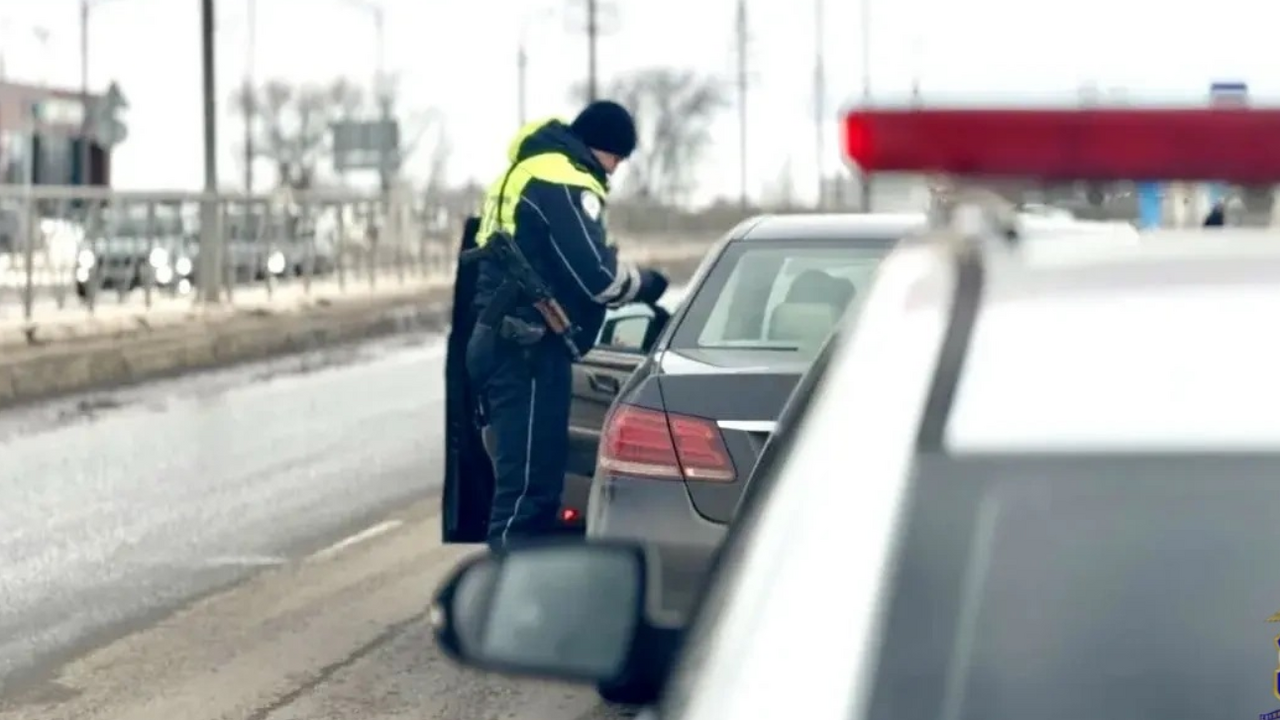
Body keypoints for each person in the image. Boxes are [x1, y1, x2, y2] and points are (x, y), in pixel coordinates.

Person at [466, 101, 669, 550]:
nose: (614, 172)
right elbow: (597, 277)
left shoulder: (527, 170)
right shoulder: (565, 180)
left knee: (522, 488)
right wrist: (647, 283)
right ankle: (507, 602)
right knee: (529, 494)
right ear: (605, 148)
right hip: (529, 353)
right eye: (617, 159)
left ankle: (511, 592)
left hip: (507, 344)